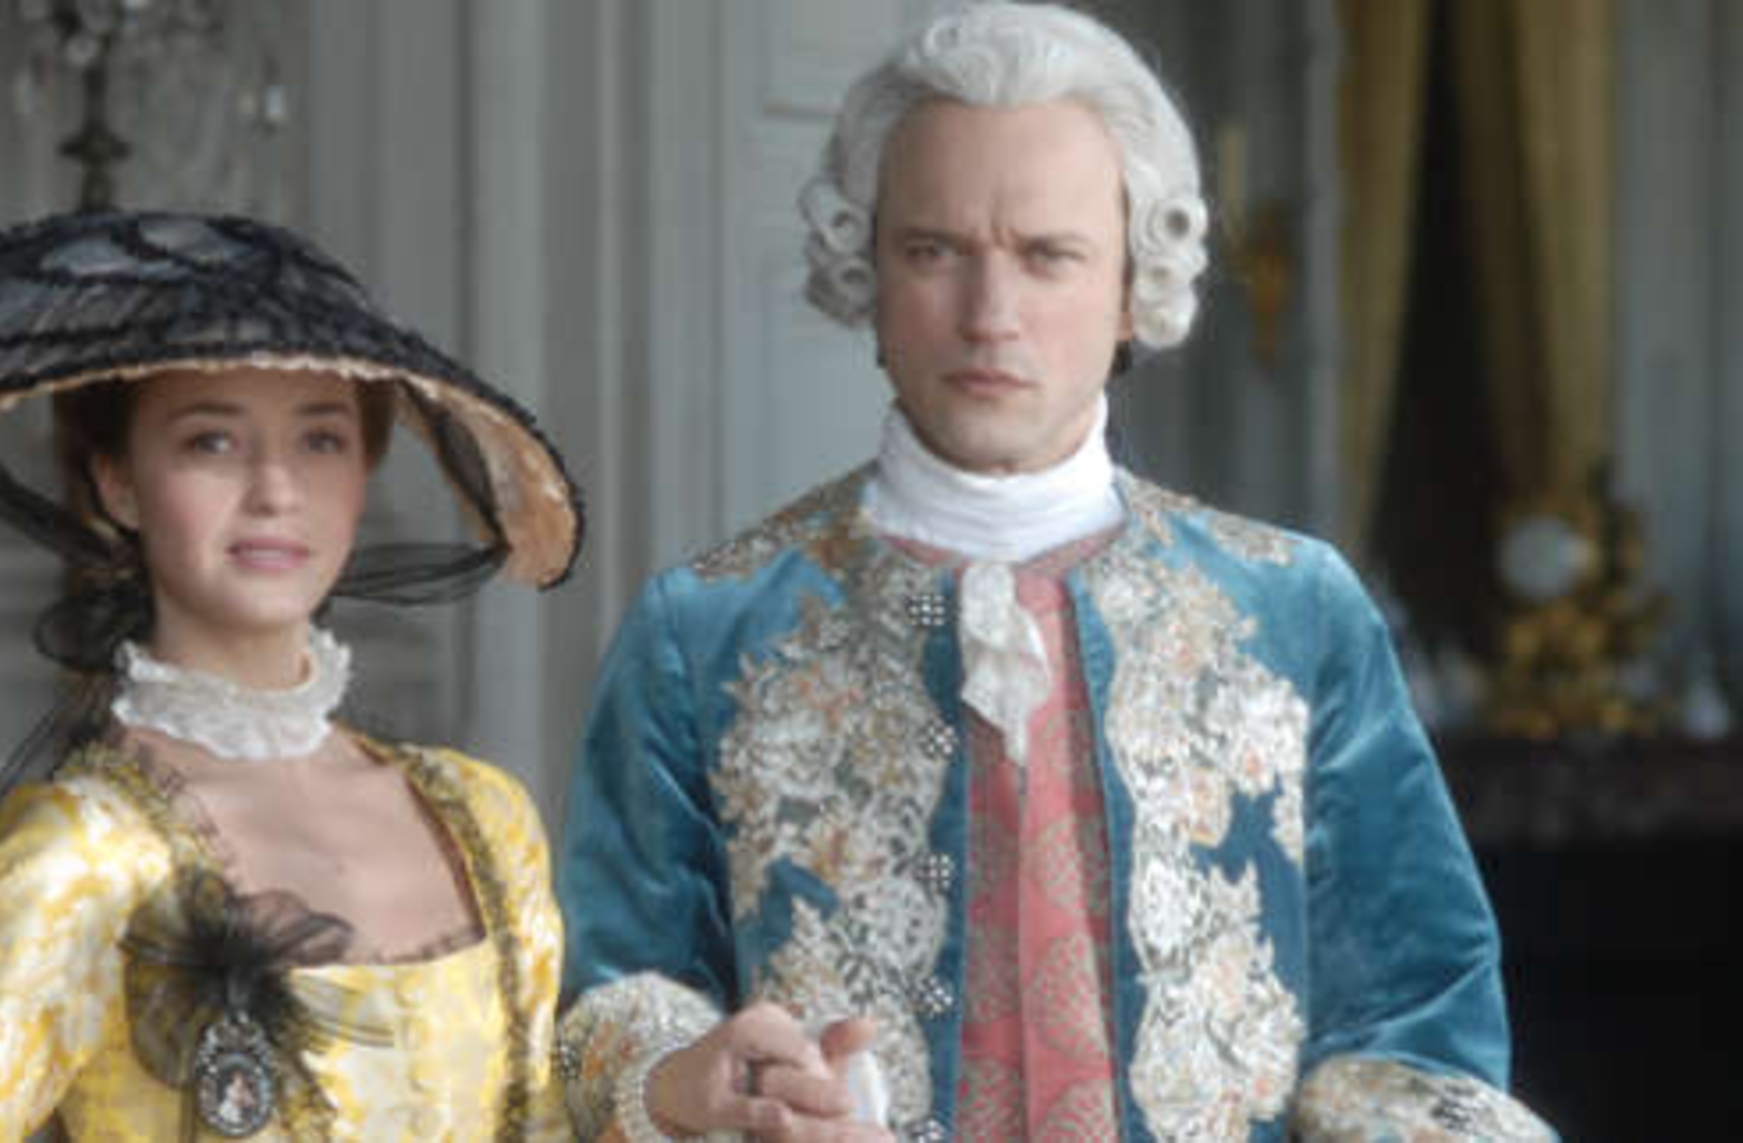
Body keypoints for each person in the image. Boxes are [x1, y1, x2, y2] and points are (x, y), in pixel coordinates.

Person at [554, 4, 1553, 1140]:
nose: (991, 315)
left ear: (1132, 286)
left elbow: (1417, 1017)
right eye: (934, 251)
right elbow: (605, 1008)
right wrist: (688, 1081)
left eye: (1047, 256)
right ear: (867, 272)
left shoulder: (1297, 612)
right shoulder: (705, 629)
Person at [0, 211, 582, 1140]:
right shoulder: (83, 859)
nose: (276, 489)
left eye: (321, 440)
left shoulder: (484, 818)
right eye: (212, 440)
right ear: (119, 481)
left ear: (365, 469)